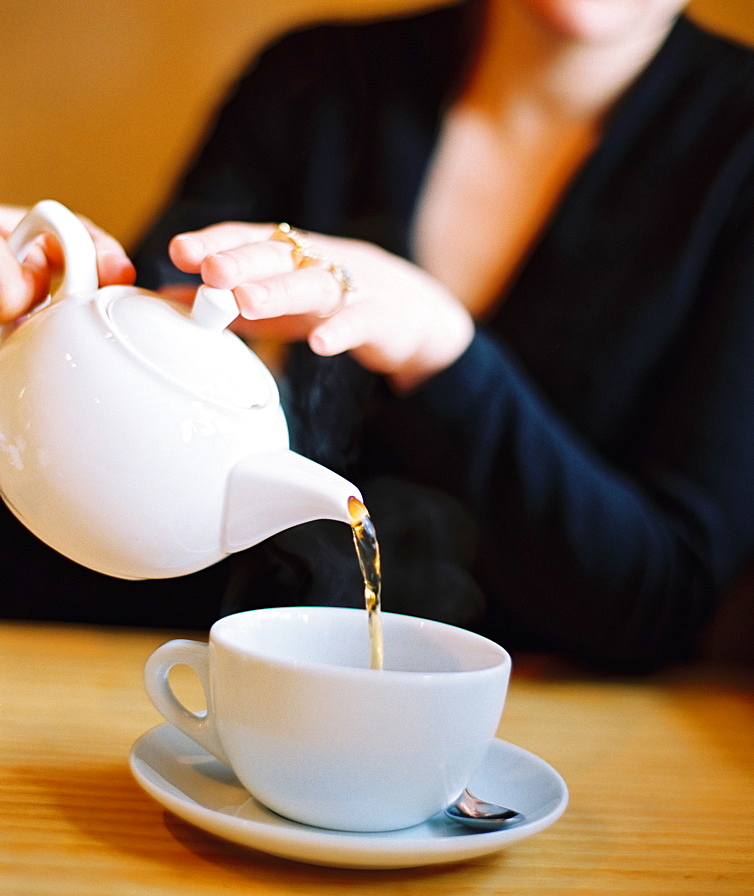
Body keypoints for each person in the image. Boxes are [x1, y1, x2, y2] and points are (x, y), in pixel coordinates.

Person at [2, 0, 754, 667]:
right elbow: (108, 437)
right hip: (175, 669)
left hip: (542, 728)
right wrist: (33, 326)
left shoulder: (736, 151)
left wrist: (441, 350)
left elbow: (662, 601)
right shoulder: (316, 81)